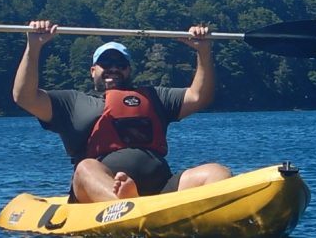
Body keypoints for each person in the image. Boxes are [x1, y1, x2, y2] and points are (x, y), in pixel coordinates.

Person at [12, 19, 231, 203]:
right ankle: (124, 202)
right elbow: (25, 97)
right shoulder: (72, 102)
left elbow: (199, 96)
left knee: (217, 173)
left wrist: (203, 50)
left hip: (161, 188)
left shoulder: (153, 96)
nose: (113, 68)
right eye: (105, 62)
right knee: (85, 167)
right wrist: (34, 46)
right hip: (100, 192)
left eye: (120, 63)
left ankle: (138, 202)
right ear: (93, 70)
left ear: (129, 69)